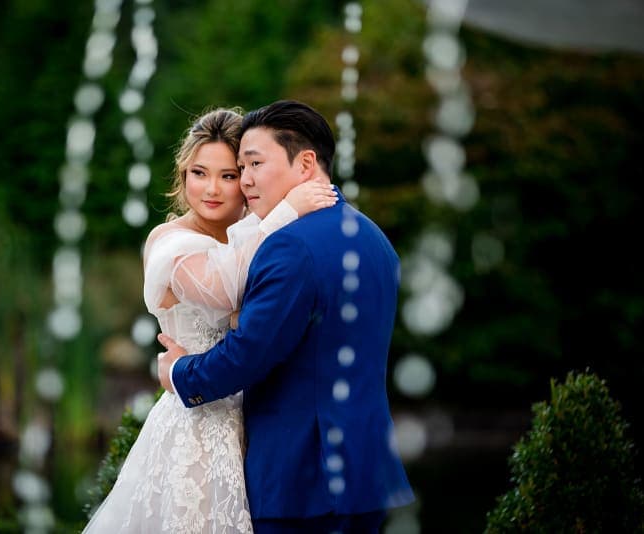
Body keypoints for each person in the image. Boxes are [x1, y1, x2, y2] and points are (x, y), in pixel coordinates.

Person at [157, 100, 415, 533]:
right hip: (368, 475)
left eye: (254, 164)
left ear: (306, 164)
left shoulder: (289, 245)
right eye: (242, 167)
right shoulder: (373, 238)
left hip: (301, 482)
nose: (246, 180)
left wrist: (179, 372)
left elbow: (247, 354)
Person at [82, 107, 337, 533]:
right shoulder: (170, 242)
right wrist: (286, 211)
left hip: (258, 426)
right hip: (198, 427)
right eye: (199, 173)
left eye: (228, 175)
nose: (212, 189)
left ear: (246, 179)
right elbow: (222, 287)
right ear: (183, 176)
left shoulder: (250, 233)